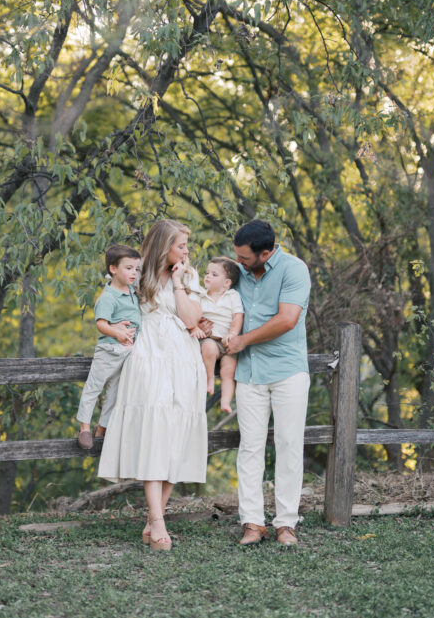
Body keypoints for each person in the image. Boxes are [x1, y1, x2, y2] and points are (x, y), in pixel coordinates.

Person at [97, 220, 208, 551]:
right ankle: (158, 521)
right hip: (148, 358)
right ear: (163, 245)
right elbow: (110, 303)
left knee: (177, 433)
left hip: (184, 360)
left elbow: (191, 320)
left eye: (187, 245)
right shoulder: (136, 272)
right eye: (181, 245)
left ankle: (153, 520)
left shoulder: (187, 276)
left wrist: (177, 283)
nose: (187, 251)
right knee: (154, 433)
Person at [224, 219, 311, 547]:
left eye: (245, 258)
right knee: (250, 448)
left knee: (289, 445)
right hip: (248, 373)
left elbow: (288, 319)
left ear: (265, 253)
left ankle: (286, 524)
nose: (239, 263)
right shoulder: (238, 271)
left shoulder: (293, 269)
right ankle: (252, 522)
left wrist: (244, 340)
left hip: (288, 371)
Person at [74, 245, 142, 451]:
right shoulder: (109, 296)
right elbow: (101, 324)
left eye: (136, 269)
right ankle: (84, 427)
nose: (133, 273)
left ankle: (102, 428)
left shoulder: (132, 291)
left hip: (128, 353)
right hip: (110, 350)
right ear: (113, 269)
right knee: (94, 387)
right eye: (128, 268)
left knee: (115, 393)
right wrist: (117, 332)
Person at [189, 257, 243, 412]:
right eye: (207, 273)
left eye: (214, 274)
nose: (207, 276)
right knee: (209, 349)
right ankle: (210, 379)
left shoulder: (232, 296)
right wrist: (195, 327)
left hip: (227, 343)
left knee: (228, 371)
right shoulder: (200, 295)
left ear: (226, 283)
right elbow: (195, 315)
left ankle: (225, 402)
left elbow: (238, 316)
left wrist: (232, 333)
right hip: (210, 339)